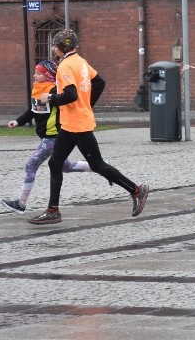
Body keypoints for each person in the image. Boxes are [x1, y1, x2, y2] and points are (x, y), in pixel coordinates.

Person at [27, 30, 149, 225]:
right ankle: (53, 211)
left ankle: (136, 190)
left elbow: (70, 95)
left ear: (60, 47)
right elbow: (99, 82)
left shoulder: (65, 66)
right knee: (55, 163)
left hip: (76, 125)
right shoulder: (80, 61)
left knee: (97, 165)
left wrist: (49, 98)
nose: (52, 48)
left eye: (54, 45)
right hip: (71, 124)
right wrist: (87, 104)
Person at [1, 60, 91, 214]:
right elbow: (32, 111)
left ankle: (21, 203)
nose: (35, 76)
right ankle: (100, 166)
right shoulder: (38, 90)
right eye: (35, 72)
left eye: (38, 73)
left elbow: (68, 102)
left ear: (48, 76)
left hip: (53, 137)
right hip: (47, 137)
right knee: (66, 167)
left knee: (31, 165)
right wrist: (18, 121)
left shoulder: (55, 91)